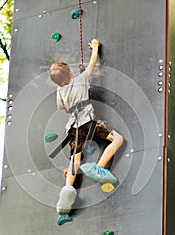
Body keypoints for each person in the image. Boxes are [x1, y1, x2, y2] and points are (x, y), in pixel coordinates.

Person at [49, 39, 123, 223]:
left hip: (73, 128)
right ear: (71, 73)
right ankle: (100, 167)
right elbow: (92, 64)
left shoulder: (59, 92)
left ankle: (67, 191)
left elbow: (64, 109)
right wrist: (96, 47)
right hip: (88, 123)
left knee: (75, 158)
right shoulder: (81, 80)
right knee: (117, 139)